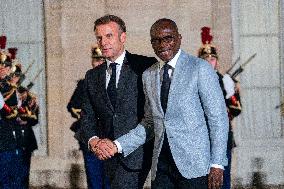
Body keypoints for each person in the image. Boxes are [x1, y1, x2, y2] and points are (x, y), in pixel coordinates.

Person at [94, 18, 230, 189]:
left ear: (179, 38)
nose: (162, 44)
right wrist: (118, 145)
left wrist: (217, 164)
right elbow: (149, 123)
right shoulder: (149, 75)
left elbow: (218, 119)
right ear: (152, 43)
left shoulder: (200, 68)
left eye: (168, 38)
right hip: (161, 168)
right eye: (156, 40)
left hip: (195, 168)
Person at [80, 14, 157, 188]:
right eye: (99, 38)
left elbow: (151, 116)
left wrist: (118, 145)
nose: (103, 42)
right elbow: (87, 116)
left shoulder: (145, 66)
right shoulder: (92, 76)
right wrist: (94, 141)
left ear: (123, 37)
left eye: (109, 36)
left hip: (137, 154)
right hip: (104, 156)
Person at [198, 26, 242, 189]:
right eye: (205, 59)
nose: (209, 63)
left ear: (216, 61)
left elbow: (237, 108)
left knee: (222, 175)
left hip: (222, 134)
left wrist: (226, 109)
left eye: (212, 59)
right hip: (200, 136)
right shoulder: (193, 81)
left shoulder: (225, 81)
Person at [67, 46, 109, 189]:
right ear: (92, 62)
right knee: (94, 180)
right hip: (91, 138)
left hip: (110, 139)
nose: (99, 63)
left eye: (102, 60)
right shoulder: (84, 84)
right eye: (96, 60)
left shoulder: (115, 83)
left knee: (110, 180)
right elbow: (72, 106)